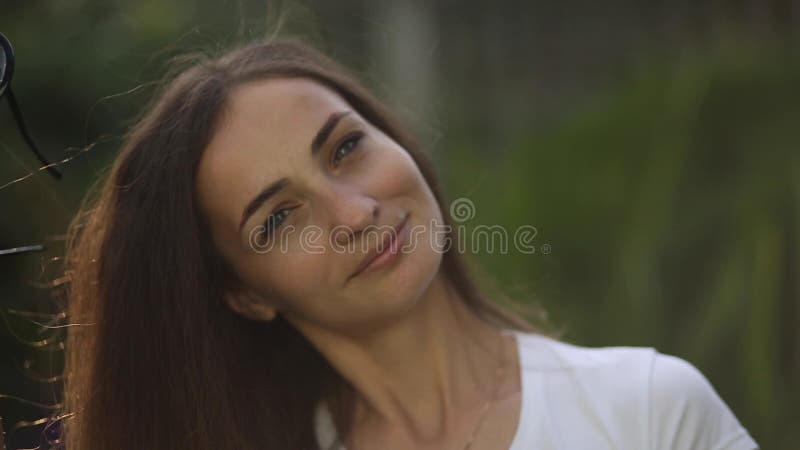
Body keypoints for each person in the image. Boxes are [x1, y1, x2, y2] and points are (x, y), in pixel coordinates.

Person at [60, 37, 759, 450]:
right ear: (242, 293)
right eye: (278, 219)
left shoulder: (645, 410)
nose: (356, 211)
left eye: (346, 148)